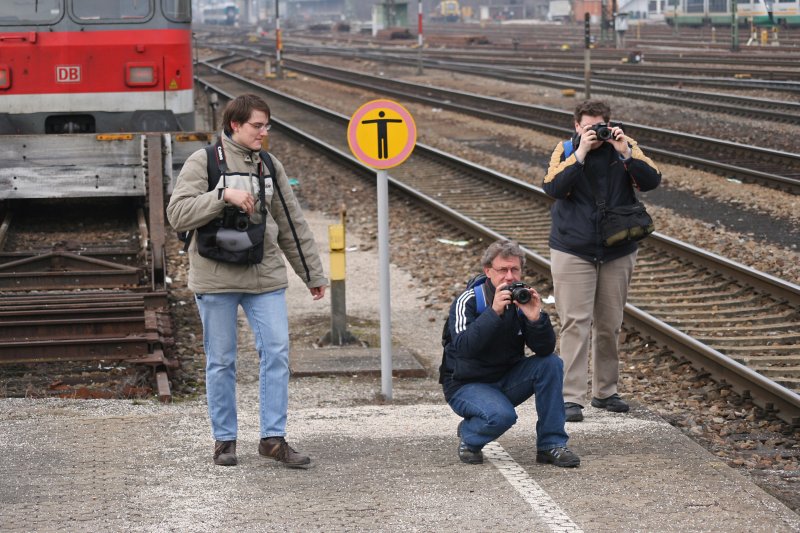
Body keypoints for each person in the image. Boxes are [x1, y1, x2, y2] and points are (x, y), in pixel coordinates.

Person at [167, 94, 327, 467]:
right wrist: (222, 196)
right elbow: (177, 214)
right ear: (235, 125)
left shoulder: (270, 165)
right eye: (258, 125)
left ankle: (273, 439)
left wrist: (312, 275)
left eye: (267, 125)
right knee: (221, 361)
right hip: (215, 276)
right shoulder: (202, 161)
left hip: (264, 274)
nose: (264, 132)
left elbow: (291, 222)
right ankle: (225, 441)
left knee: (276, 352)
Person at [543, 99, 661, 422]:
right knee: (575, 323)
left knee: (610, 324)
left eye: (599, 126)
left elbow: (652, 180)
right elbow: (552, 186)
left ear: (610, 124)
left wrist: (624, 150)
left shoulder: (625, 146)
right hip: (573, 248)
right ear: (576, 126)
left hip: (617, 249)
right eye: (587, 126)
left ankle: (606, 392)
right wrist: (580, 154)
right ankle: (571, 398)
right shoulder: (565, 150)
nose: (594, 132)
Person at [439, 240, 580, 468]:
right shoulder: (469, 300)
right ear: (488, 272)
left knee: (551, 363)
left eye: (514, 269)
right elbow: (464, 348)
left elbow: (544, 350)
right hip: (466, 384)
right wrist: (494, 312)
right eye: (502, 270)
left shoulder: (520, 298)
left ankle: (551, 444)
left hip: (507, 378)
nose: (509, 276)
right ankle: (470, 432)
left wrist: (536, 319)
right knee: (501, 417)